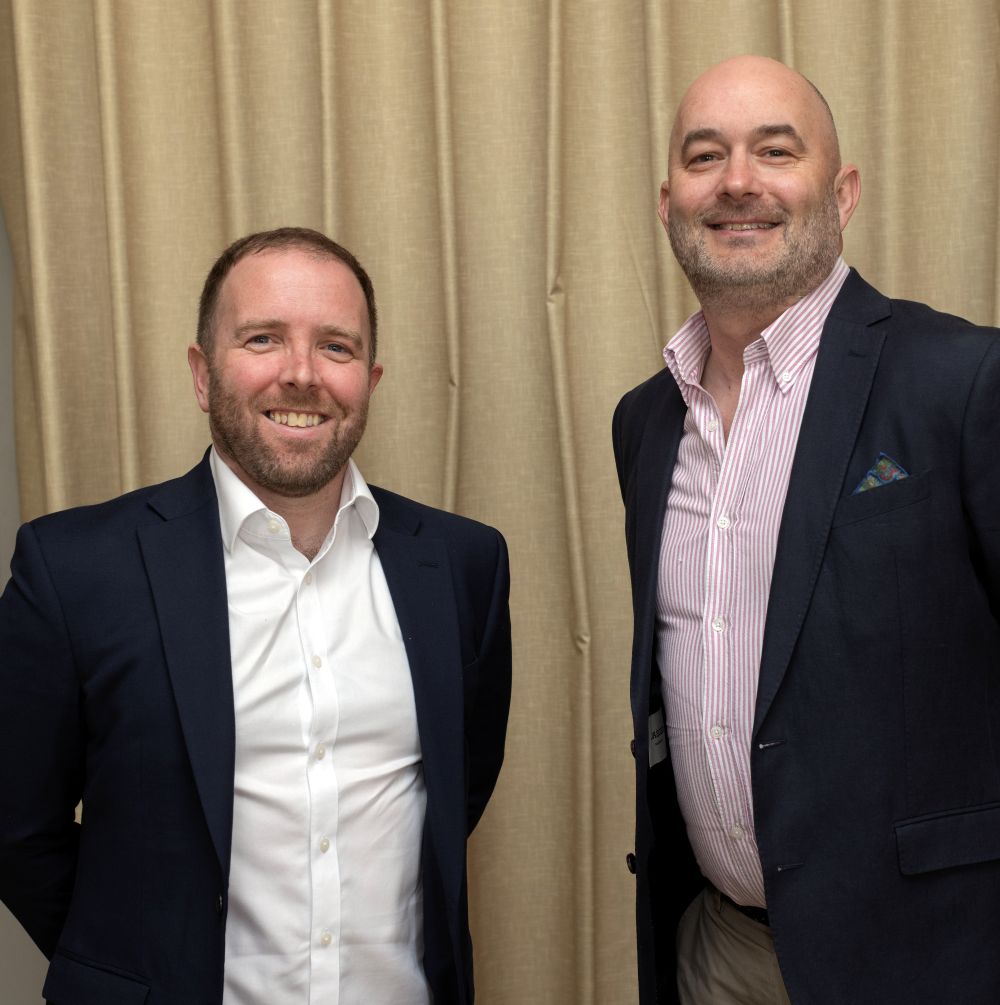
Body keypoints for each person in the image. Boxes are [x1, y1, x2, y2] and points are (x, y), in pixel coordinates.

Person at [0, 227, 512, 1005]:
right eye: (263, 338)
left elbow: (457, 789)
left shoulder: (462, 566)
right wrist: (128, 966)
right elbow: (15, 826)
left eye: (335, 346)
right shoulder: (75, 570)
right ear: (203, 374)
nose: (301, 373)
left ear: (370, 379)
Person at [613, 55, 1000, 1004]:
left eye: (776, 151)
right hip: (719, 951)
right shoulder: (647, 421)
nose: (737, 181)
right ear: (668, 203)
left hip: (925, 958)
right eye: (705, 156)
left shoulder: (962, 382)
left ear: (844, 192)